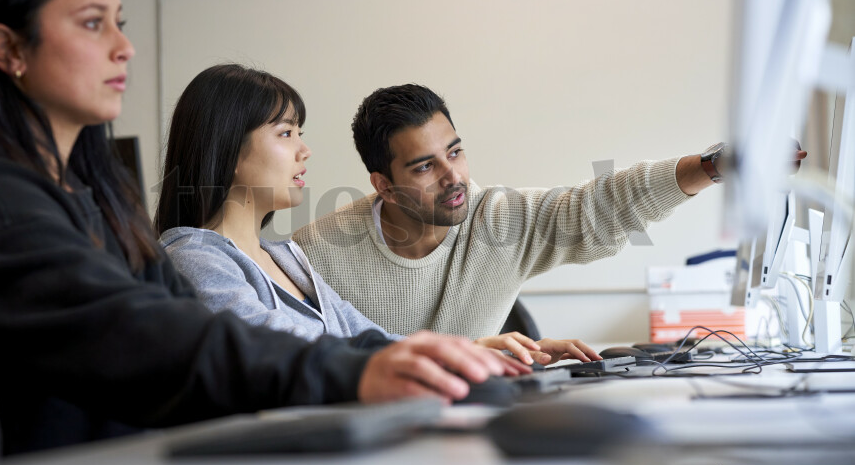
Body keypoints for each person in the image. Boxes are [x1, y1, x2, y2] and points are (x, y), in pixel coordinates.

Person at [0, 0, 523, 456]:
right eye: (91, 23)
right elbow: (148, 337)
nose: (124, 47)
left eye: (119, 23)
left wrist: (442, 357)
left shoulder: (97, 199)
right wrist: (360, 374)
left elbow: (207, 326)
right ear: (9, 49)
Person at [155, 64, 599, 366]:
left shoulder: (285, 257)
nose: (304, 150)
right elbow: (286, 354)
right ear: (228, 150)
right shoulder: (195, 257)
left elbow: (367, 340)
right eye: (286, 133)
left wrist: (484, 352)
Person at [293, 84, 804, 339]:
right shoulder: (317, 256)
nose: (454, 177)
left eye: (456, 152)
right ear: (384, 186)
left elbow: (601, 206)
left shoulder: (496, 218)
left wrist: (715, 166)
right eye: (425, 166)